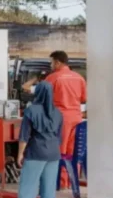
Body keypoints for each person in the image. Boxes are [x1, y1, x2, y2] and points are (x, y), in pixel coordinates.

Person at [24, 51, 86, 189]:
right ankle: (71, 182)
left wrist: (35, 79)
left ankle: (60, 182)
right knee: (73, 152)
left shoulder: (53, 78)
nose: (51, 65)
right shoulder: (79, 78)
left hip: (60, 119)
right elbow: (83, 98)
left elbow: (36, 92)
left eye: (51, 62)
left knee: (59, 151)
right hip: (77, 118)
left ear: (57, 62)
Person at [9, 82, 63, 198]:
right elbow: (59, 137)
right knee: (49, 187)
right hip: (54, 153)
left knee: (28, 185)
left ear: (37, 93)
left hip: (36, 152)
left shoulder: (30, 111)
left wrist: (20, 154)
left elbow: (24, 136)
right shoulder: (58, 113)